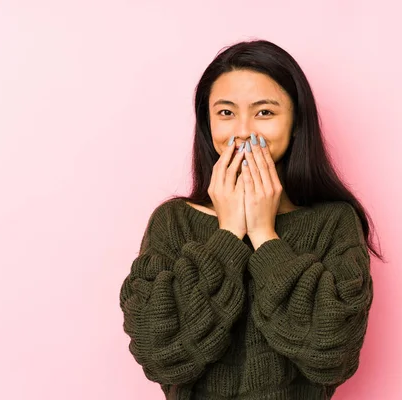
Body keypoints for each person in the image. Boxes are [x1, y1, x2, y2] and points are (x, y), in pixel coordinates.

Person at [119, 39, 384, 400]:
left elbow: (332, 356)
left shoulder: (334, 222)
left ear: (296, 123)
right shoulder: (172, 222)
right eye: (226, 113)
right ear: (207, 123)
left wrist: (264, 234)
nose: (243, 131)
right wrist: (228, 233)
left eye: (264, 112)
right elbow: (161, 355)